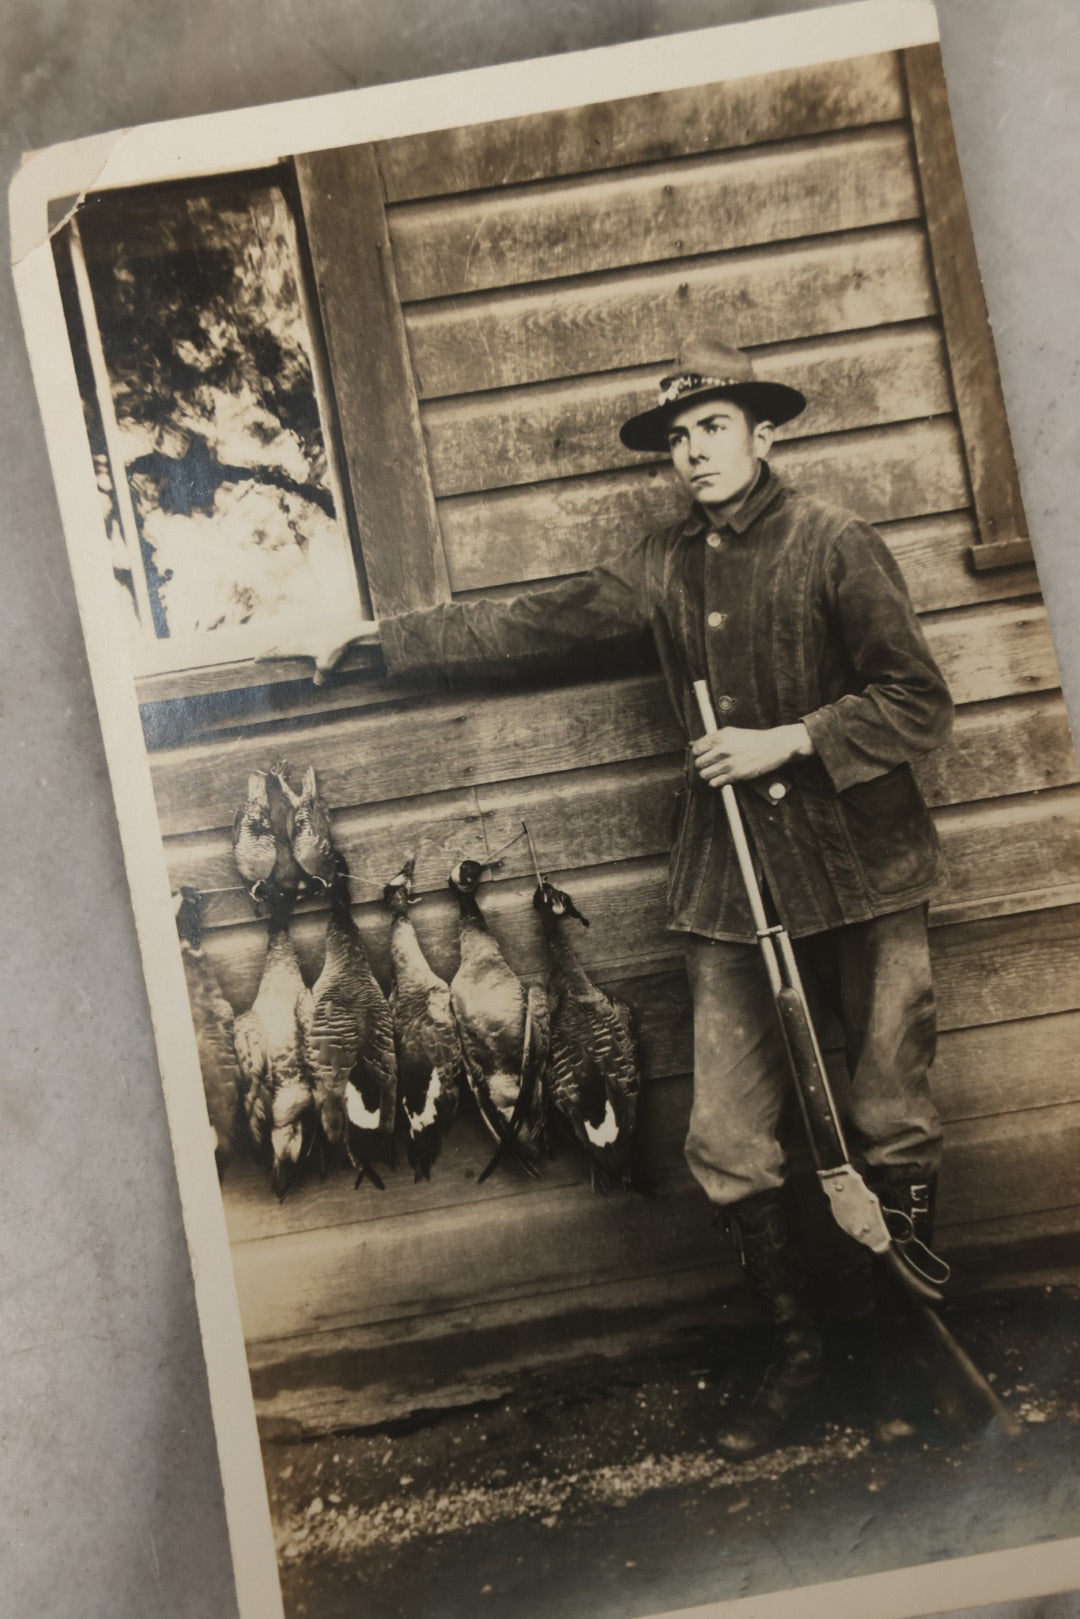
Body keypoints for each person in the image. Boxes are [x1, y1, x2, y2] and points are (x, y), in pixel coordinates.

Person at [301, 339, 955, 1454]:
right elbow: (531, 622)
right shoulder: (661, 565)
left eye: (713, 427)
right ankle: (804, 1361)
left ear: (765, 431)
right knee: (729, 1131)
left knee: (888, 1108)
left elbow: (917, 701)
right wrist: (382, 639)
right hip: (729, 881)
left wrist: (788, 739)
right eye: (676, 437)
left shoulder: (837, 544)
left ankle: (909, 1357)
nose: (693, 452)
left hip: (862, 864)